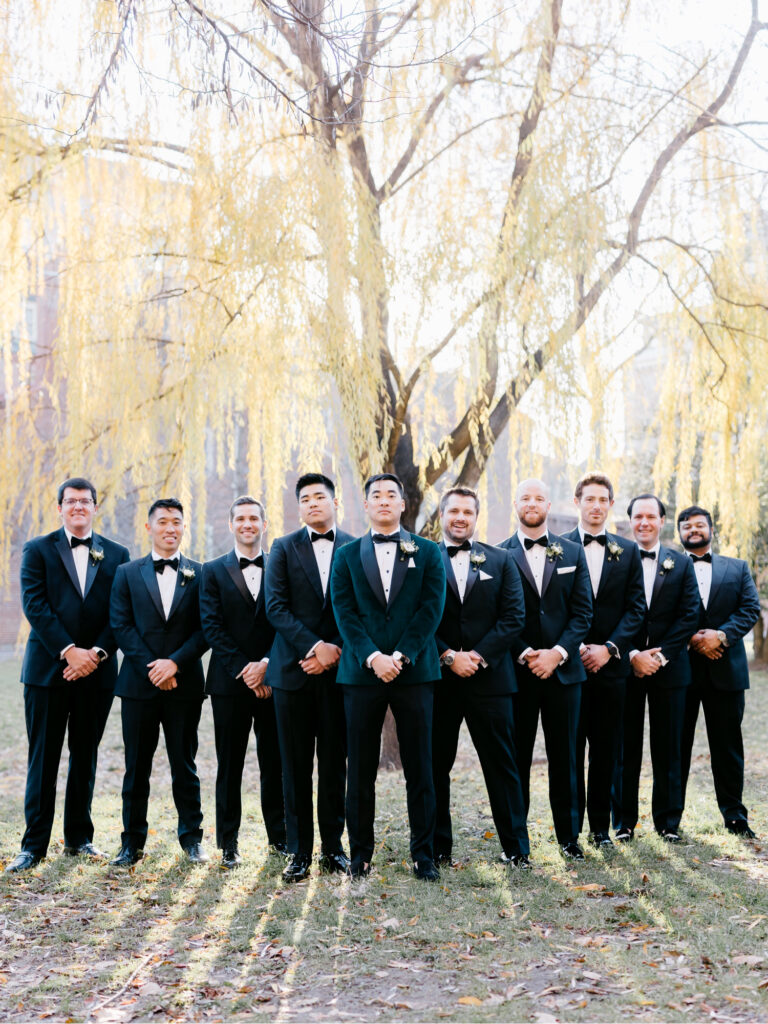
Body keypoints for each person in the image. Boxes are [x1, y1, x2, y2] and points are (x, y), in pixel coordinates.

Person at [6, 478, 130, 873]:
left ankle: (80, 838)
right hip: (47, 671)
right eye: (70, 501)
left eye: (85, 501)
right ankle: (33, 846)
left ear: (96, 507)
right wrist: (68, 652)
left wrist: (94, 653)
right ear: (59, 507)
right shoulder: (38, 550)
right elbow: (35, 605)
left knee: (85, 756)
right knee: (43, 758)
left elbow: (120, 611)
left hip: (97, 672)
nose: (78, 506)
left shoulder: (117, 553)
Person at [331, 473, 446, 880]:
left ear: (402, 504)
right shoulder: (344, 556)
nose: (383, 501)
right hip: (362, 676)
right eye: (375, 495)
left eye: (390, 495)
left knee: (421, 766)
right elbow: (343, 612)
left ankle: (424, 855)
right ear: (365, 506)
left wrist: (401, 654)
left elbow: (432, 609)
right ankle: (360, 854)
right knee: (360, 768)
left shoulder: (429, 552)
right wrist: (372, 657)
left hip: (415, 673)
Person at [432, 486, 530, 868]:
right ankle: (438, 848)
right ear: (442, 515)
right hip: (439, 682)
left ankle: (516, 849)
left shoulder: (501, 559)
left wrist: (478, 655)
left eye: (467, 512)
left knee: (502, 766)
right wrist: (448, 655)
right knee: (435, 765)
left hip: (490, 681)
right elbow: (419, 616)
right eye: (453, 510)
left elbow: (513, 617)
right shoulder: (425, 560)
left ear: (476, 516)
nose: (460, 517)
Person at [109, 498, 208, 866]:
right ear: (148, 528)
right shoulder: (126, 573)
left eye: (177, 522)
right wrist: (154, 668)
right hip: (138, 685)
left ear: (185, 528)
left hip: (185, 686)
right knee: (136, 766)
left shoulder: (201, 573)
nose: (170, 528)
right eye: (163, 521)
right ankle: (131, 843)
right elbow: (121, 625)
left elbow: (205, 629)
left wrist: (175, 664)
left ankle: (192, 840)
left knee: (185, 764)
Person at [264, 473, 354, 883]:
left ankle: (333, 849)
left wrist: (333, 649)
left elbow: (359, 607)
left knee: (335, 763)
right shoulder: (282, 548)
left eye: (320, 496)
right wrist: (314, 647)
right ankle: (299, 851)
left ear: (335, 502)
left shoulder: (355, 546)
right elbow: (276, 607)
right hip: (293, 672)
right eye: (305, 498)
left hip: (340, 673)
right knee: (295, 765)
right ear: (298, 507)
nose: (313, 503)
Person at [499, 478, 592, 861]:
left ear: (549, 504)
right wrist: (525, 654)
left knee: (566, 756)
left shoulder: (572, 551)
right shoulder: (497, 553)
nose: (532, 503)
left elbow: (583, 612)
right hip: (517, 675)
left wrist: (556, 653)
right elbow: (500, 615)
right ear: (515, 504)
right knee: (515, 758)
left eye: (539, 497)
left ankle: (569, 838)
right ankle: (517, 845)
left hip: (564, 672)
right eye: (525, 497)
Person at [200, 496, 286, 869]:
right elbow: (211, 627)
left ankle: (280, 840)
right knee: (229, 765)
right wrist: (246, 670)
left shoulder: (281, 567)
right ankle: (228, 844)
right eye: (241, 518)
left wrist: (266, 665)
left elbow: (286, 620)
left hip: (275, 680)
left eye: (254, 518)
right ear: (231, 524)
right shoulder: (211, 571)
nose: (248, 524)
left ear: (264, 525)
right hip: (229, 684)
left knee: (275, 763)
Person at [562, 473, 645, 847]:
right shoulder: (558, 548)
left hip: (612, 670)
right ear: (576, 502)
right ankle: (570, 833)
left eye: (603, 500)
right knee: (570, 751)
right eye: (589, 499)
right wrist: (576, 647)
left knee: (606, 750)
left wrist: (609, 648)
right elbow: (551, 608)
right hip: (569, 668)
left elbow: (636, 609)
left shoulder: (627, 552)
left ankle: (600, 830)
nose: (596, 506)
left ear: (611, 505)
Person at [618, 494, 699, 843]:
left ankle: (668, 822)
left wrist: (660, 656)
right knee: (625, 747)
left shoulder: (681, 564)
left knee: (669, 747)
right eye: (638, 517)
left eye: (651, 516)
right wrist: (633, 653)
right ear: (630, 520)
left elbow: (690, 614)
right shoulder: (616, 559)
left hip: (671, 668)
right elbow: (609, 612)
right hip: (626, 666)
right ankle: (622, 822)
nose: (644, 523)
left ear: (662, 520)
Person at [677, 505, 761, 838]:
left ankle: (735, 816)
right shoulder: (668, 567)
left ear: (712, 529)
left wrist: (720, 636)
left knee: (727, 747)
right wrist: (691, 639)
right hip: (680, 672)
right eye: (687, 526)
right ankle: (670, 819)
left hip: (726, 672)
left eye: (699, 525)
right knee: (676, 746)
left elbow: (750, 608)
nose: (693, 530)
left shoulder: (737, 568)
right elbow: (658, 612)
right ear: (680, 533)